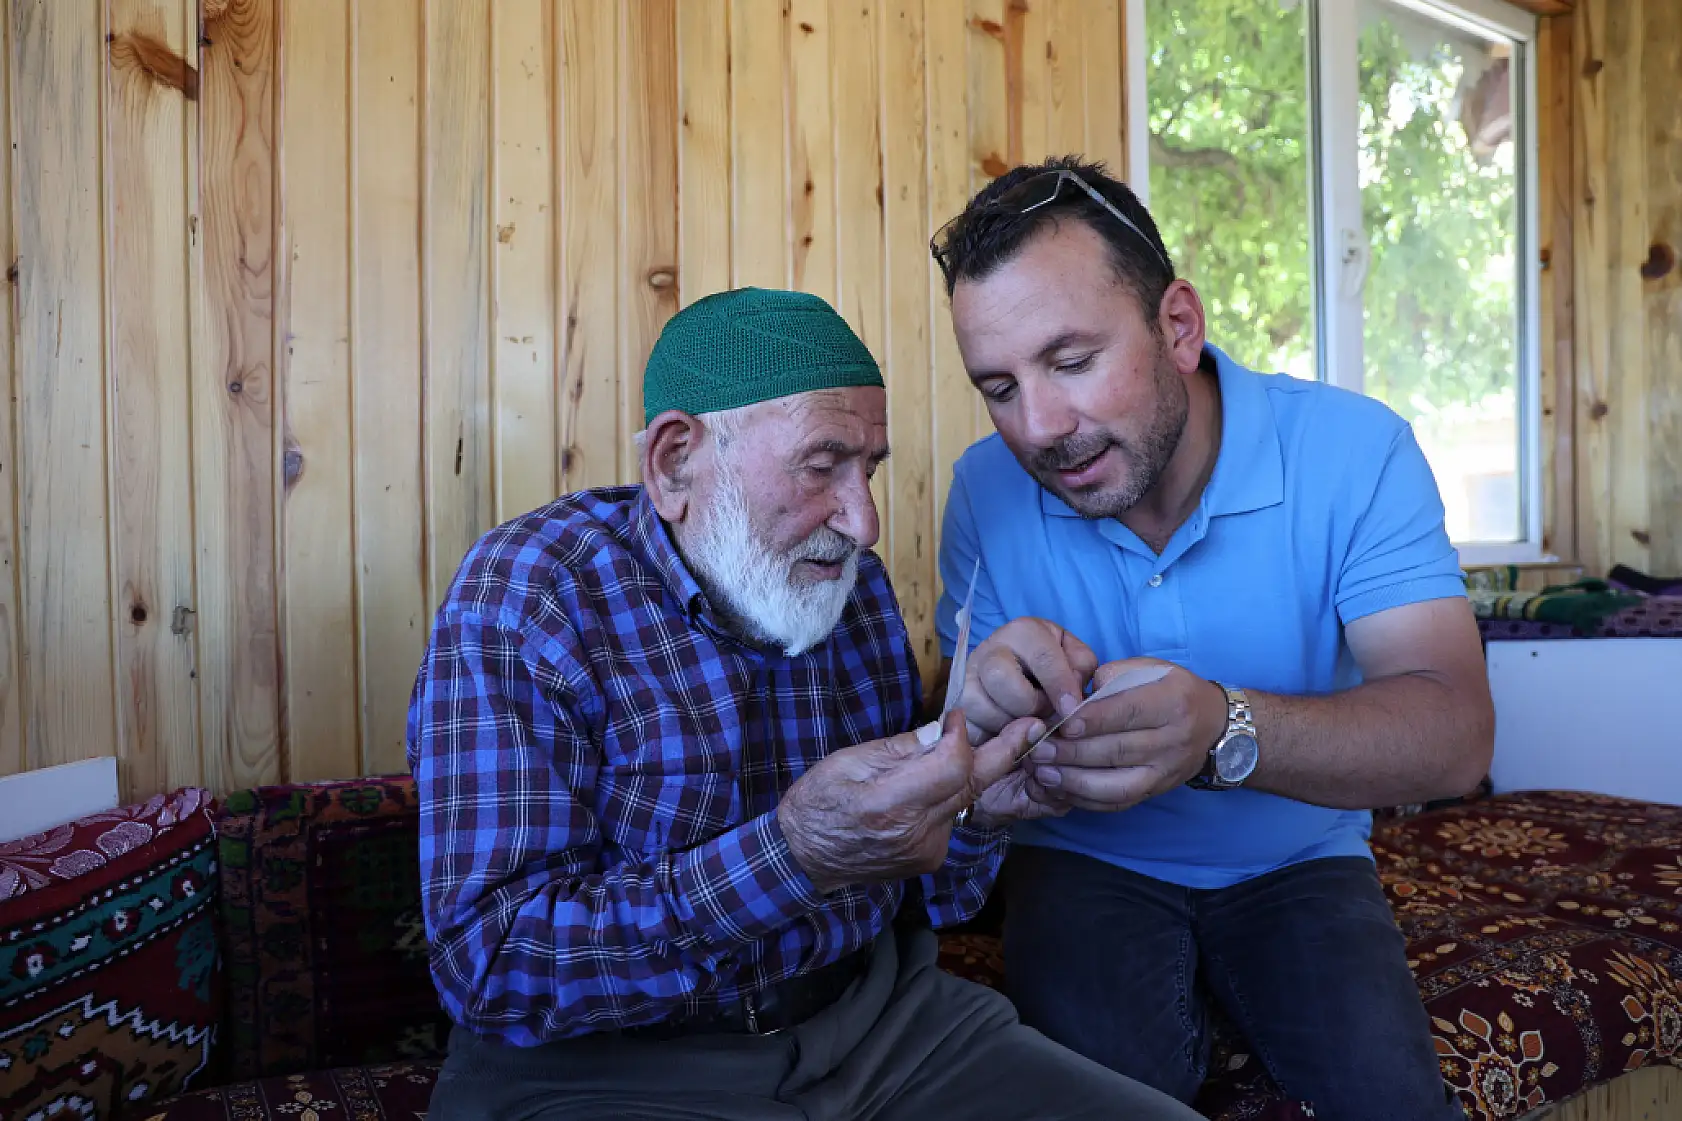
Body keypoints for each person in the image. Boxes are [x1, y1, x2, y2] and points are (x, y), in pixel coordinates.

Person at [406, 287, 1202, 1121]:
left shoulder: (848, 587)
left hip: (880, 1027)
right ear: (677, 461)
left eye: (871, 469)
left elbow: (929, 898)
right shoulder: (531, 594)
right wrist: (794, 855)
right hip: (611, 1069)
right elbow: (491, 963)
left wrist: (977, 807)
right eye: (823, 465)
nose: (862, 522)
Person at [927, 156, 1494, 1121]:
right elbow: (949, 739)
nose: (1040, 428)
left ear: (1178, 326)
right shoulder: (985, 487)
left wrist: (1220, 727)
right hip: (1082, 859)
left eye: (1071, 362)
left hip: (1302, 857)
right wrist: (974, 709)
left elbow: (1455, 738)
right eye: (998, 386)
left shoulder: (1356, 451)